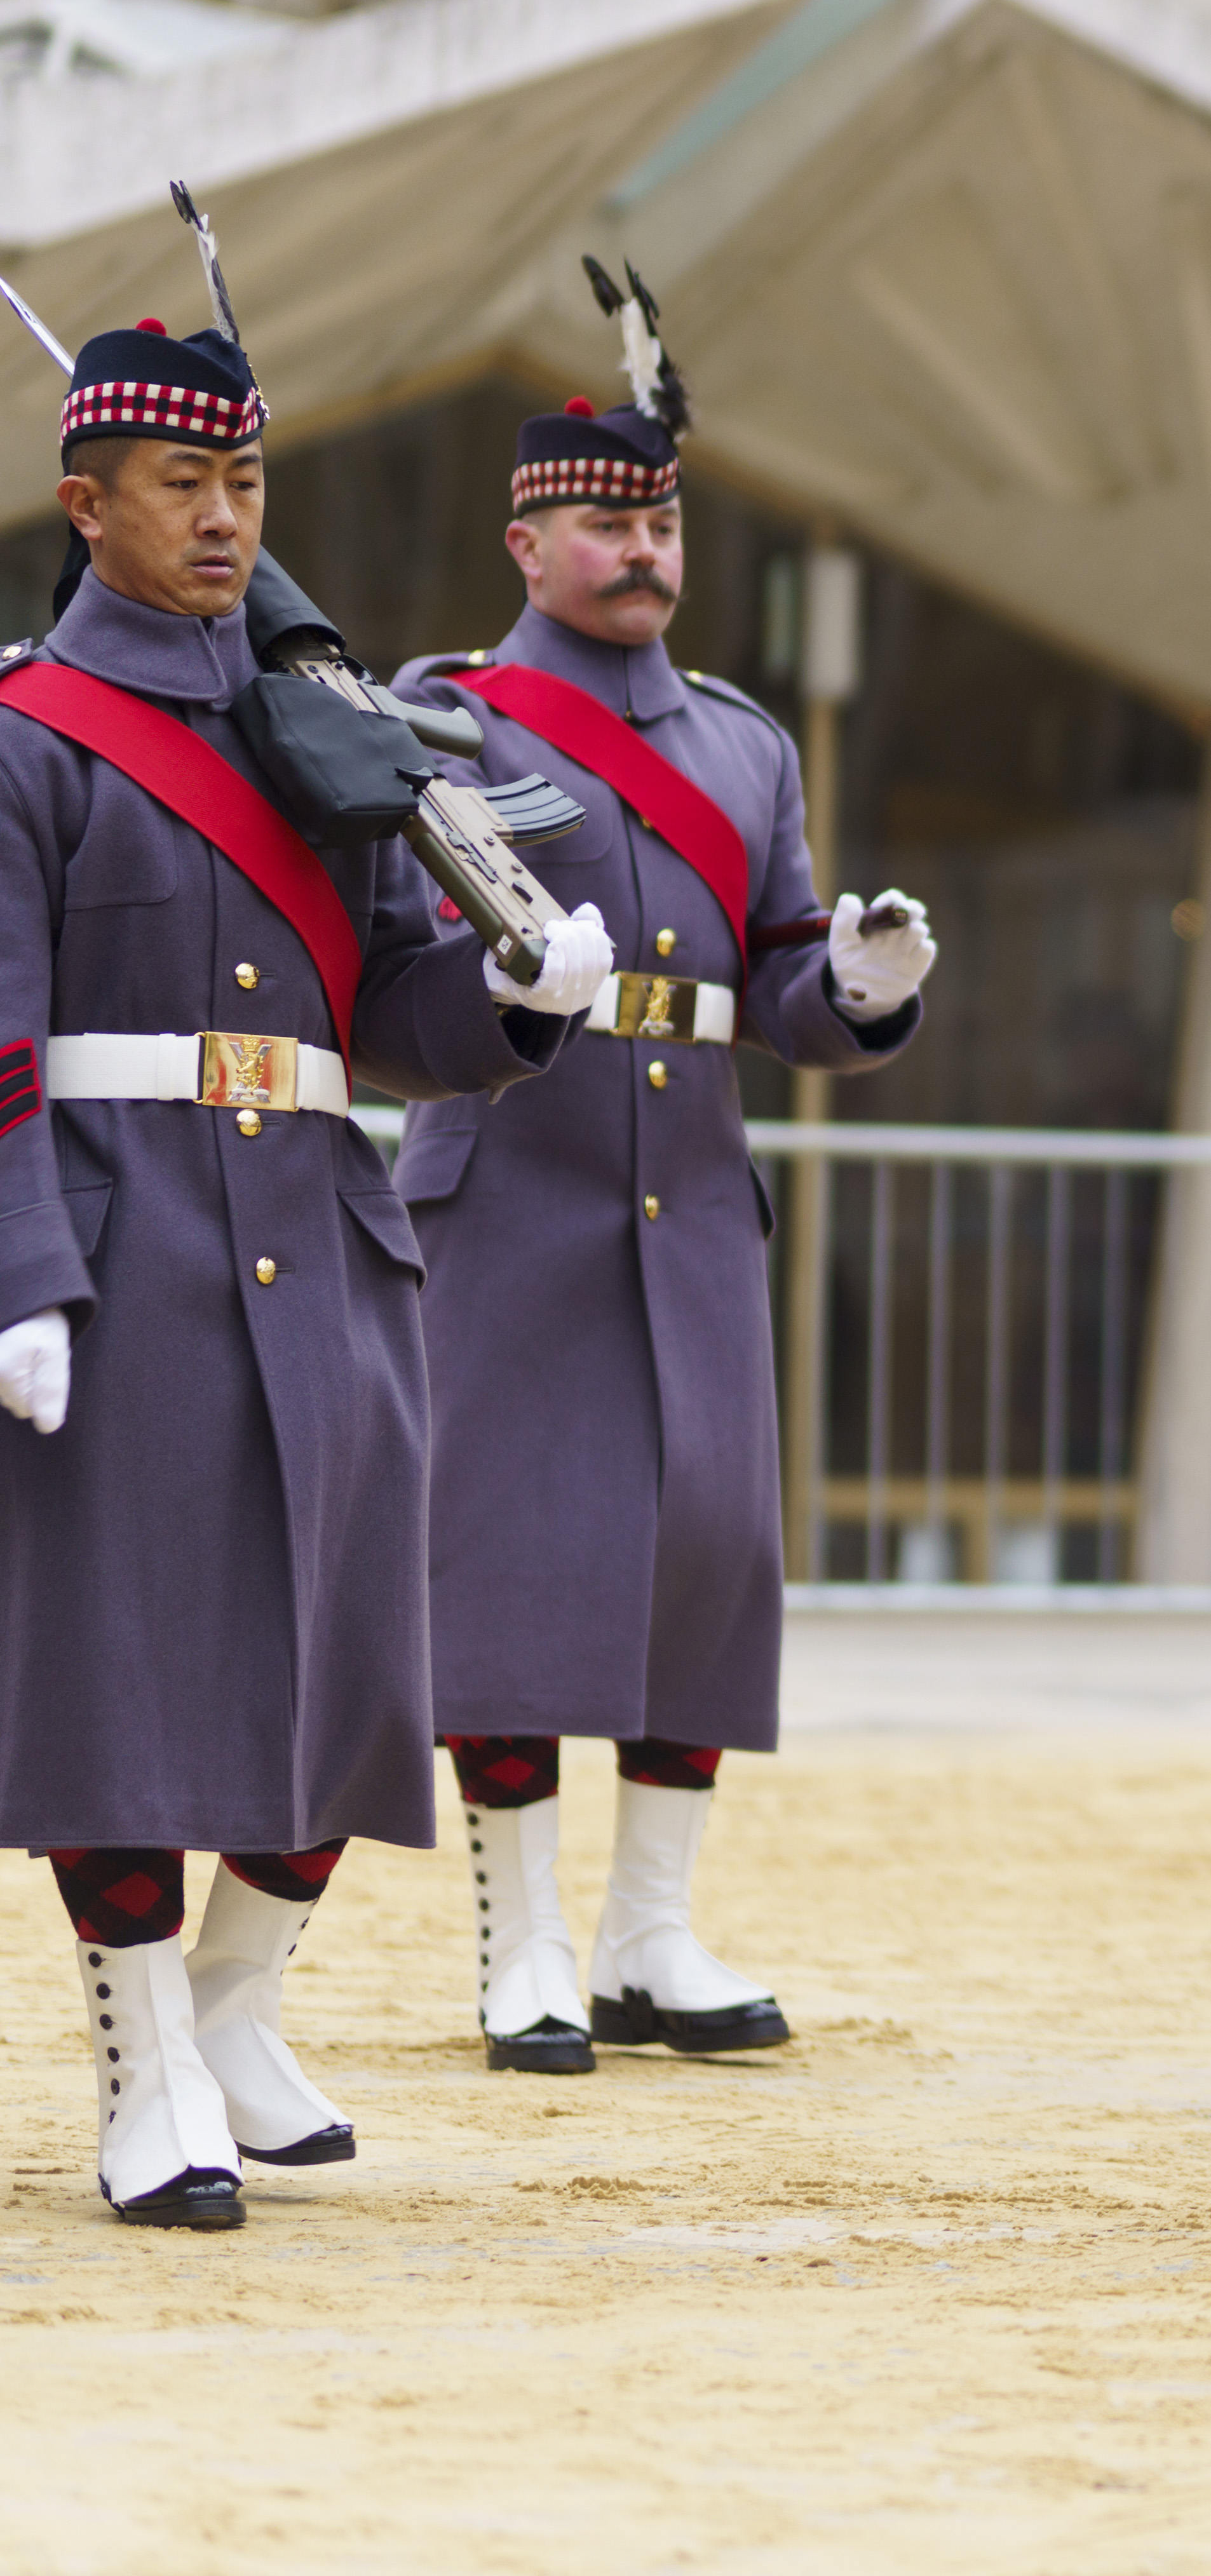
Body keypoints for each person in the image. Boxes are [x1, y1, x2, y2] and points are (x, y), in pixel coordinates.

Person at [0, 300, 607, 2224]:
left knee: (344, 1657)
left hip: (316, 1229)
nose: (221, 518)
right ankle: (144, 2066)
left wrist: (515, 998)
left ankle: (239, 2007)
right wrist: (16, 1272)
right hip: (120, 1234)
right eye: (181, 482)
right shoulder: (27, 736)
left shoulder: (315, 726)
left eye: (246, 480)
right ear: (84, 501)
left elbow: (377, 1014)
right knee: (128, 1671)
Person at [394, 308, 934, 2075]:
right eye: (609, 528)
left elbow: (768, 987)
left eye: (665, 527)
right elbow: (400, 965)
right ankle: (525, 1941)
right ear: (528, 547)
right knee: (519, 1565)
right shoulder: (447, 724)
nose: (644, 555)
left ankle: (653, 1933)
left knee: (702, 1557)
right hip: (512, 1192)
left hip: (688, 1200)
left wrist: (854, 986)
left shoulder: (741, 748)